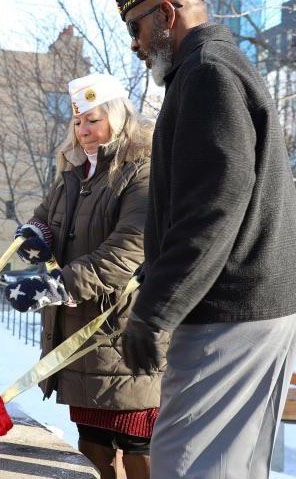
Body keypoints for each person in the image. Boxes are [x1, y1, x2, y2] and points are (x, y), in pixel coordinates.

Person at [116, 1, 296, 477]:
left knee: (185, 465)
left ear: (166, 14)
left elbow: (212, 208)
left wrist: (155, 312)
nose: (133, 42)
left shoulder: (206, 74)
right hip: (248, 305)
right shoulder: (213, 68)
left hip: (229, 312)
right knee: (228, 466)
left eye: (134, 25)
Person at [4, 73, 164, 479]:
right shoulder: (74, 173)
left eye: (93, 120)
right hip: (80, 336)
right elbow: (45, 221)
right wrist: (34, 237)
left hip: (124, 331)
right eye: (78, 122)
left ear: (117, 116)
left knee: (136, 445)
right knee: (91, 444)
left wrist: (56, 286)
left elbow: (127, 250)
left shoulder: (142, 172)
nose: (84, 131)